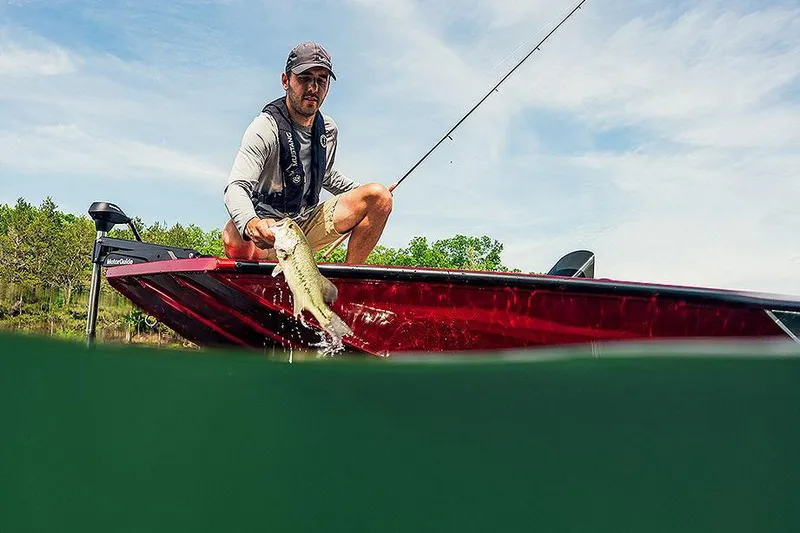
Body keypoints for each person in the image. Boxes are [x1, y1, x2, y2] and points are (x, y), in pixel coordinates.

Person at [222, 41, 393, 263]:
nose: (313, 88)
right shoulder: (265, 128)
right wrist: (253, 224)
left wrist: (364, 192)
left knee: (379, 196)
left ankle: (347, 283)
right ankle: (251, 287)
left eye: (321, 80)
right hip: (268, 232)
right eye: (304, 78)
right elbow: (236, 187)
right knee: (234, 233)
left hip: (305, 225)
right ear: (286, 81)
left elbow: (326, 175)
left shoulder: (329, 129)